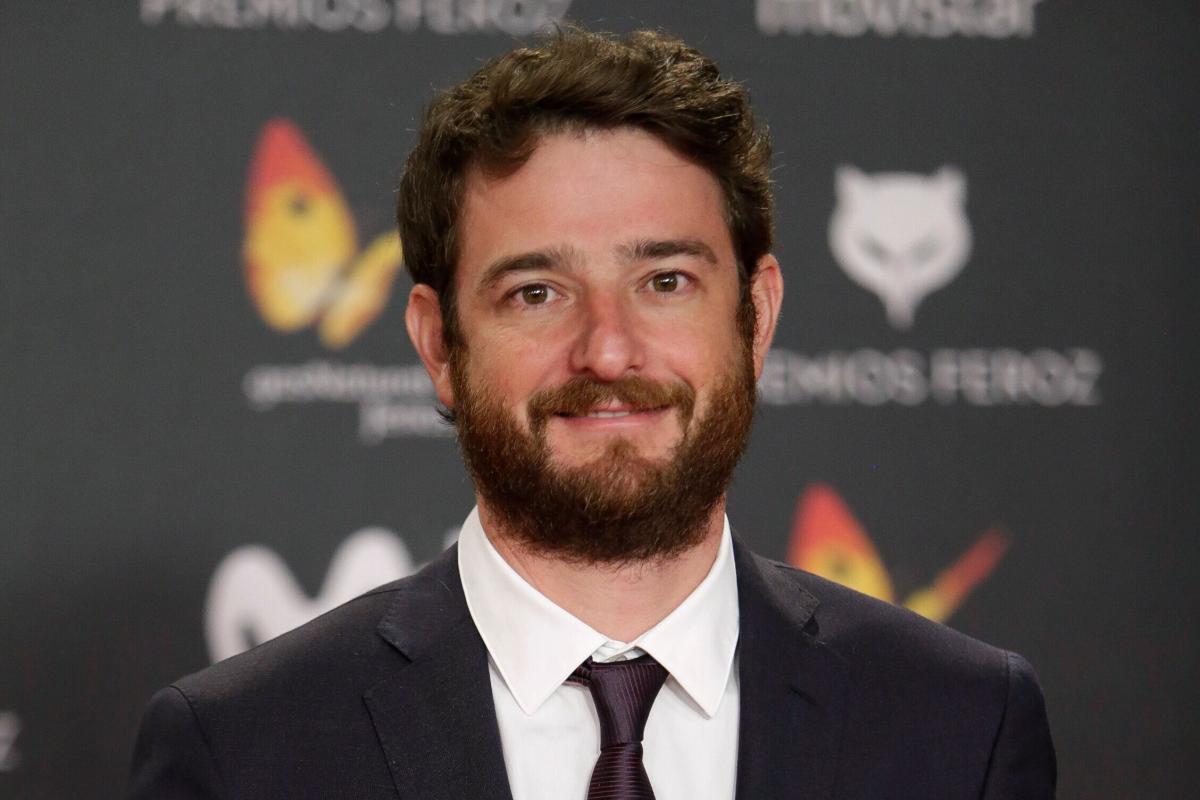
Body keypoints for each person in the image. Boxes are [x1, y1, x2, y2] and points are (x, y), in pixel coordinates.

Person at [128, 27, 1056, 800]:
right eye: (536, 293)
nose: (608, 351)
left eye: (665, 281)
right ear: (439, 343)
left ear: (758, 316)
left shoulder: (961, 726)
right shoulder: (243, 750)